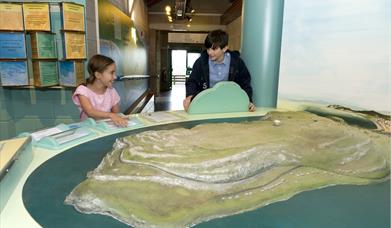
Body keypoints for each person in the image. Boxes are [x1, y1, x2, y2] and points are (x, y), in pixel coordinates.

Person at [183, 29, 256, 112]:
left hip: (230, 104)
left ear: (224, 48)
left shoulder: (237, 62)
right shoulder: (201, 62)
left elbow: (245, 83)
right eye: (208, 49)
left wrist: (248, 101)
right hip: (205, 104)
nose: (209, 52)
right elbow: (192, 81)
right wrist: (189, 96)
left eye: (214, 49)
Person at [72, 54, 128, 127]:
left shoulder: (111, 91)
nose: (115, 77)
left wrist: (121, 118)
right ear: (98, 75)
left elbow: (116, 113)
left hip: (106, 129)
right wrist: (111, 115)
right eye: (111, 73)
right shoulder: (83, 91)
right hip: (89, 130)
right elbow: (90, 112)